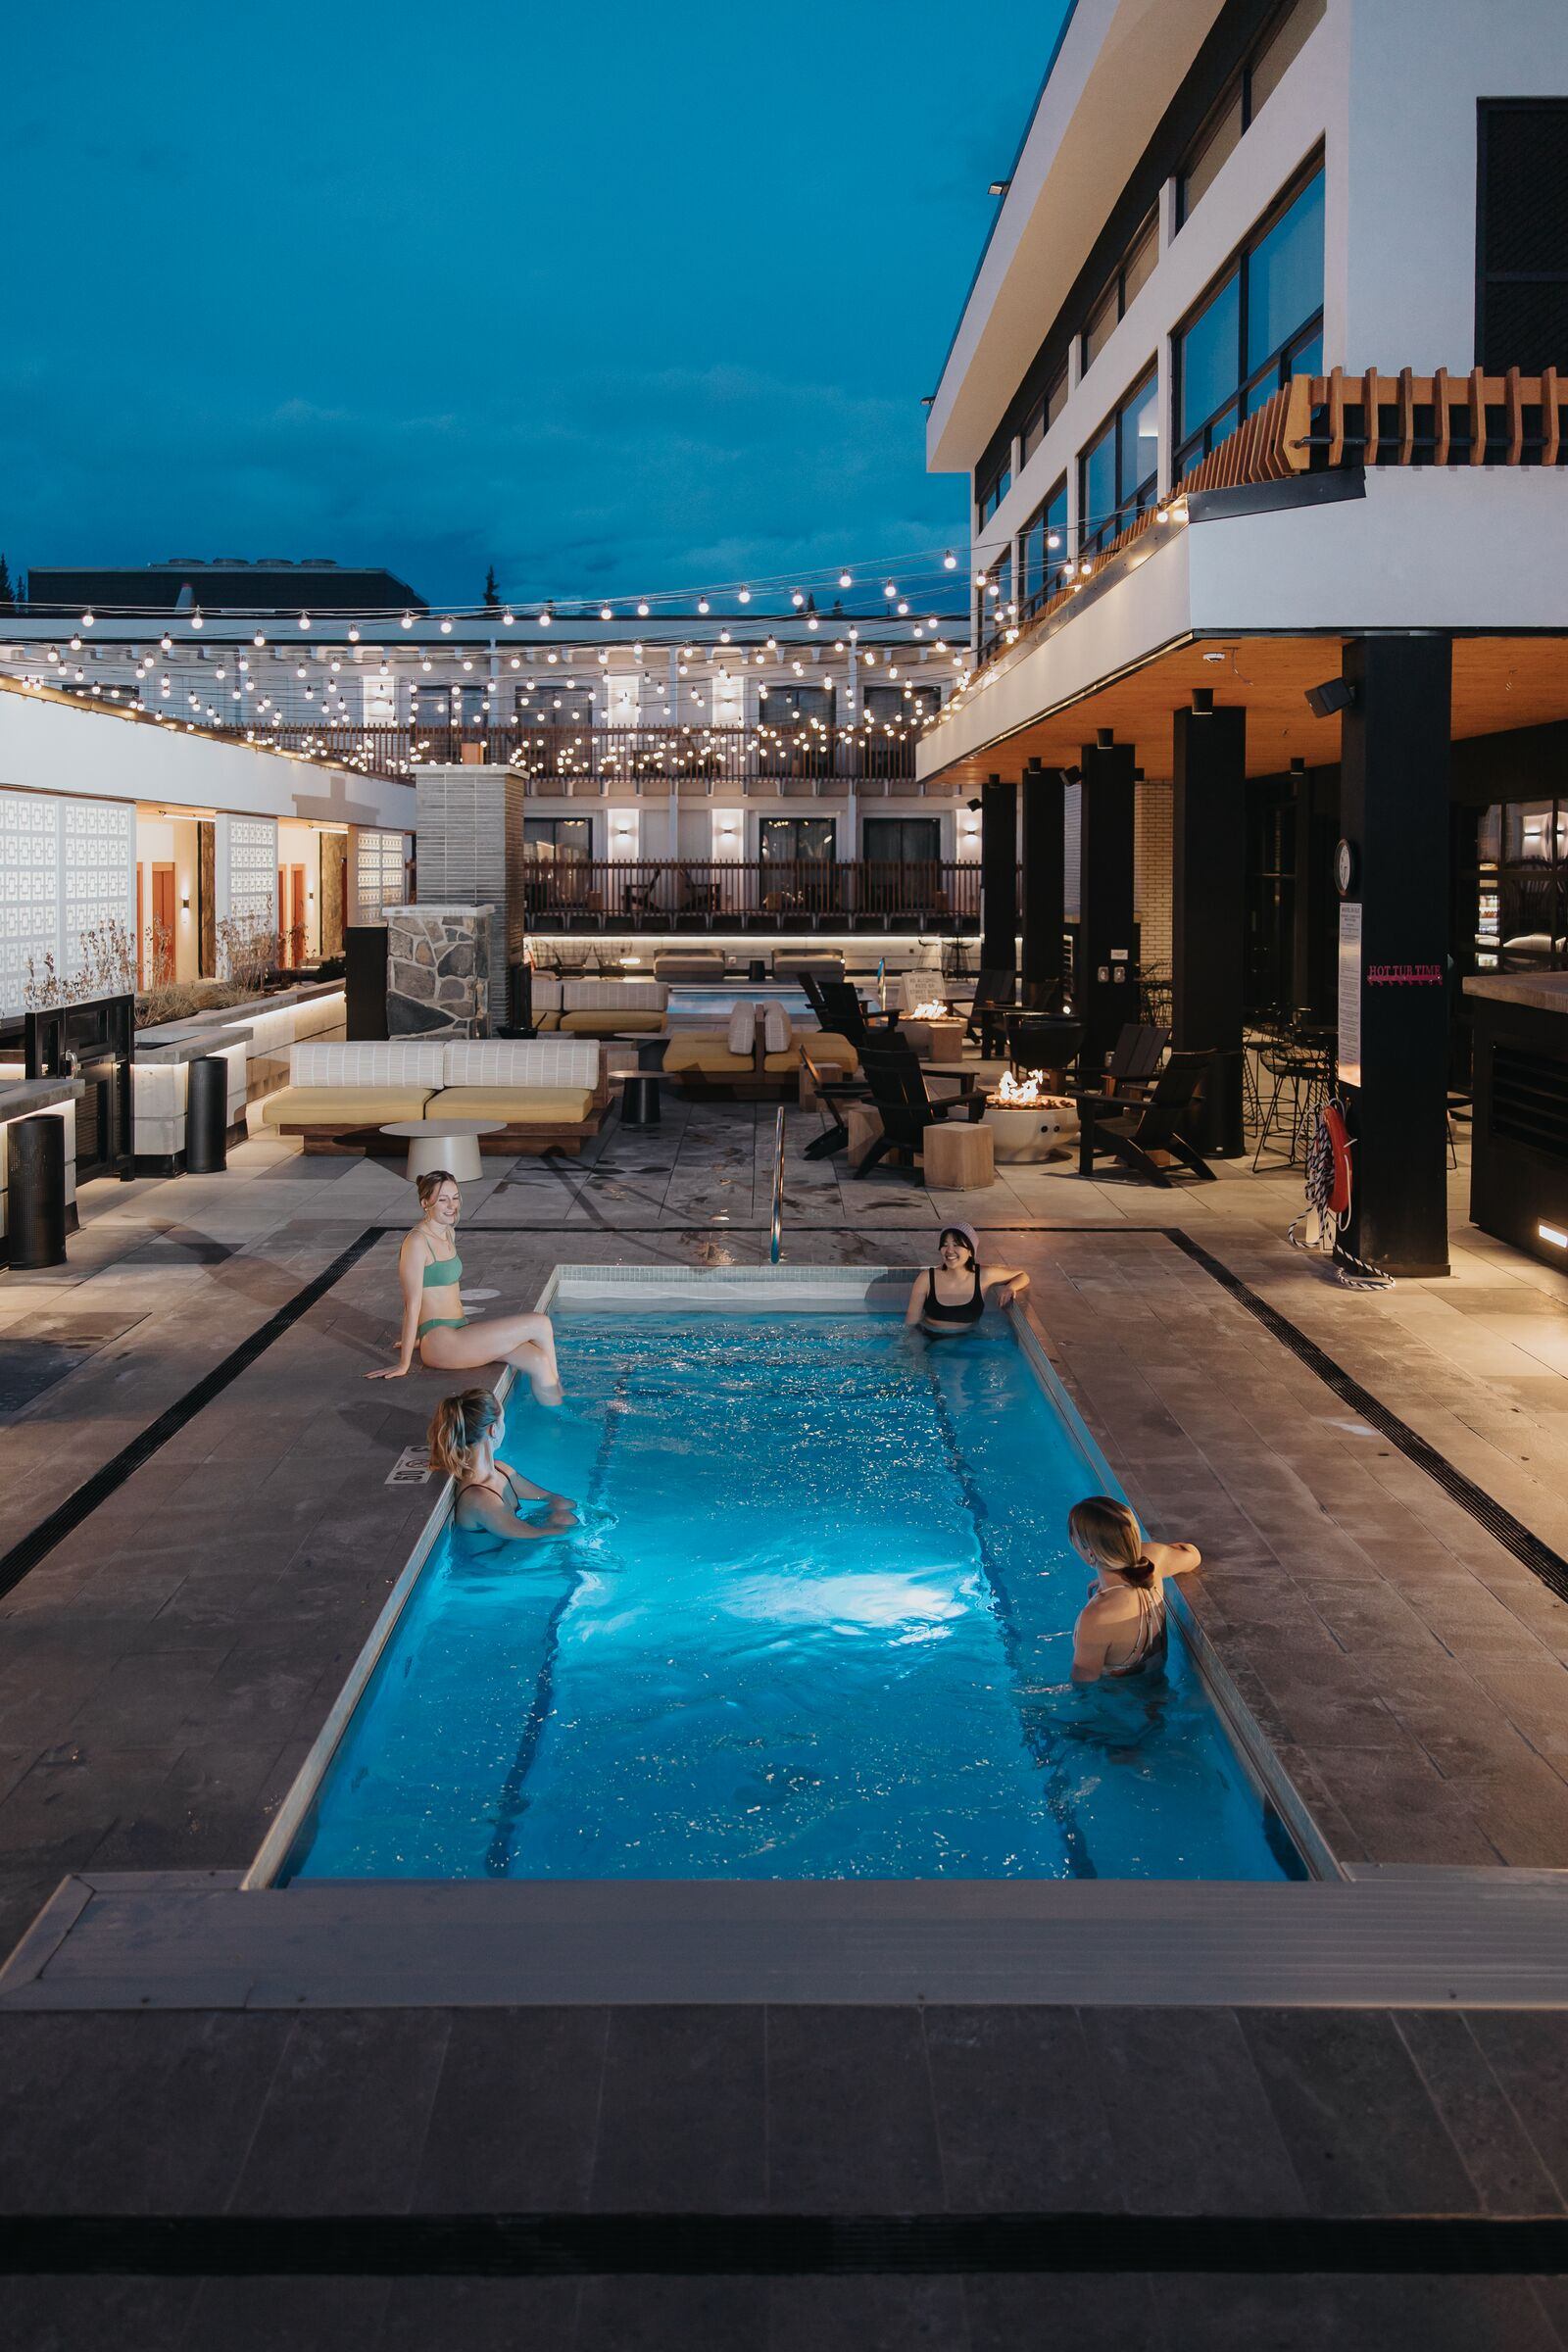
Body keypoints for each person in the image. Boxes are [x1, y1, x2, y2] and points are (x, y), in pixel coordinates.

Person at [366, 1168, 564, 1403]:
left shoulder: (448, 1232)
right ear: (425, 1203)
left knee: (538, 1360)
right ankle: (562, 1390)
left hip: (460, 1329)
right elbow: (412, 1304)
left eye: (455, 1197)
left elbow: (442, 1295)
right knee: (540, 1323)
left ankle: (556, 1414)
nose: (452, 1205)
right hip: (441, 1341)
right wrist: (404, 1362)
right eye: (442, 1200)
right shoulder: (417, 1242)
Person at [1067, 1495, 1200, 1685]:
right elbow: (1193, 1556)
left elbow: (1083, 1686)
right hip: (1159, 1687)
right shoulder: (1154, 1560)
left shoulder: (1096, 1617)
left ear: (1091, 1554)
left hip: (1122, 1701)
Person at [428, 1388, 578, 1546]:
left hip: (510, 1545)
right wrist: (591, 1529)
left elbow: (552, 1497)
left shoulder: (500, 1469)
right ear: (493, 1430)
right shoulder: (479, 1498)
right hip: (497, 1562)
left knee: (563, 1512)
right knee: (566, 1524)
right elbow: (534, 1535)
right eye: (502, 1420)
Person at [904, 1223, 1029, 1337]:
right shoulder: (927, 1278)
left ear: (970, 1251)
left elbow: (1022, 1275)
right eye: (945, 1245)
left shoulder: (984, 1276)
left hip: (966, 1339)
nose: (949, 1250)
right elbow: (911, 1324)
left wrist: (1010, 1288)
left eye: (956, 1245)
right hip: (928, 1336)